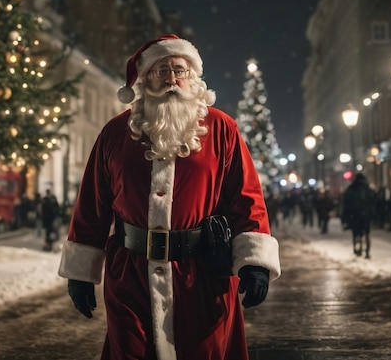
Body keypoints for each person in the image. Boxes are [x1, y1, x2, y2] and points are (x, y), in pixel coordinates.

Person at [58, 34, 281, 359]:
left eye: (180, 70)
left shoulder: (223, 129)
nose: (172, 79)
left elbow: (246, 197)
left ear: (194, 78)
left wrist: (254, 263)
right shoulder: (115, 132)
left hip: (203, 276)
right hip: (130, 277)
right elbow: (93, 203)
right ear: (145, 78)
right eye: (161, 71)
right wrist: (81, 272)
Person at [341, 172, 375, 259]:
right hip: (365, 215)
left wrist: (345, 217)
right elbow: (373, 202)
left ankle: (357, 250)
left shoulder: (351, 189)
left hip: (355, 215)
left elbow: (346, 204)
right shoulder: (367, 190)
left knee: (356, 233)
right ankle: (367, 251)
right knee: (366, 233)